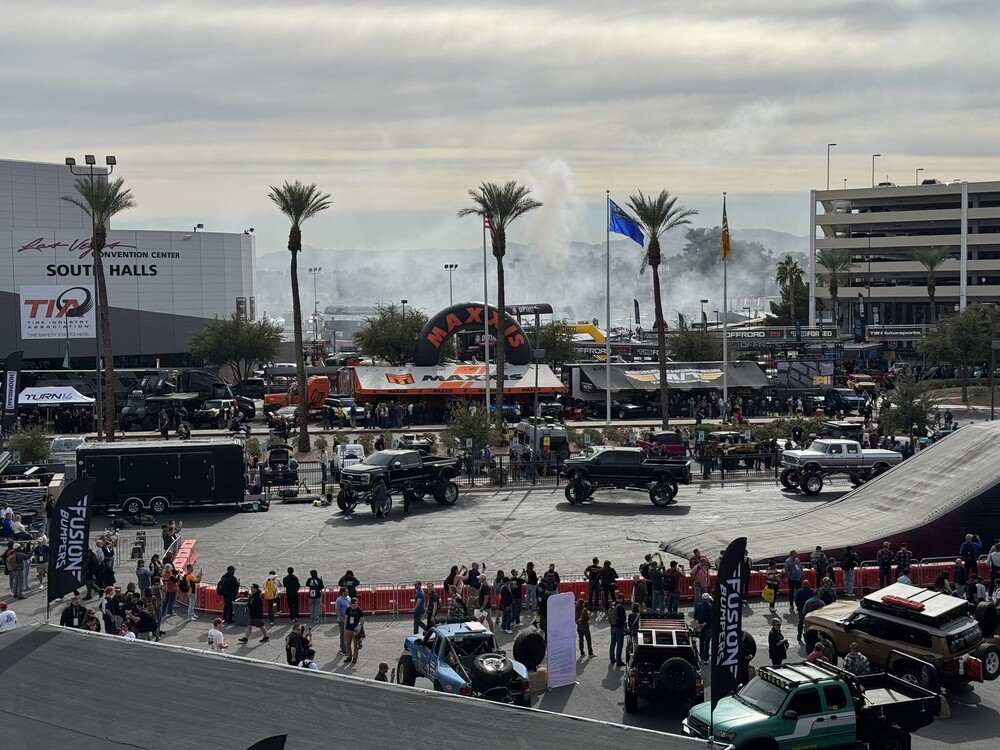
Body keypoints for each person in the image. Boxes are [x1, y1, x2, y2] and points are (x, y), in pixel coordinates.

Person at [608, 592, 626, 666]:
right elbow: (623, 618)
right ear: (622, 599)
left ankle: (612, 658)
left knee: (613, 643)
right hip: (619, 628)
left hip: (612, 626)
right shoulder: (620, 607)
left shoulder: (611, 605)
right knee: (619, 644)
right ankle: (619, 660)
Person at [344, 597, 364, 663]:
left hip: (355, 631)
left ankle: (355, 657)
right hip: (348, 629)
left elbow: (362, 620)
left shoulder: (359, 610)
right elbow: (346, 619)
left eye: (357, 603)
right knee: (348, 644)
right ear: (351, 604)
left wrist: (360, 626)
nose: (356, 605)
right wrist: (345, 628)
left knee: (356, 645)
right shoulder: (348, 609)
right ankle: (349, 656)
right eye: (355, 603)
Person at [694, 592, 712, 661]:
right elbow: (711, 618)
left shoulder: (698, 606)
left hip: (700, 628)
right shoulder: (710, 607)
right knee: (707, 643)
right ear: (708, 599)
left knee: (701, 642)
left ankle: (701, 657)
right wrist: (704, 624)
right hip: (708, 627)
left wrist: (699, 624)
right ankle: (706, 658)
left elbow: (695, 616)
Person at [335, 587, 351, 655]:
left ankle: (347, 647)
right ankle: (343, 649)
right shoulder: (339, 600)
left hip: (348, 619)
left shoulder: (348, 598)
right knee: (343, 634)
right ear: (343, 592)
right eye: (346, 591)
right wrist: (342, 619)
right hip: (342, 620)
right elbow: (337, 610)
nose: (347, 592)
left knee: (348, 634)